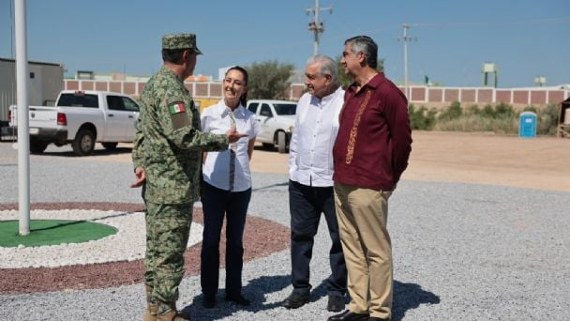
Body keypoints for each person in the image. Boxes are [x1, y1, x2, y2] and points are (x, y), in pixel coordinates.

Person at [131, 33, 247, 322]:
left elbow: (142, 133)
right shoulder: (172, 91)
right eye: (194, 56)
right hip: (172, 187)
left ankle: (155, 309)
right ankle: (166, 314)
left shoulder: (153, 85)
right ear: (186, 56)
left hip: (157, 184)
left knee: (157, 249)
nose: (195, 61)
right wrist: (223, 139)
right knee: (169, 253)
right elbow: (183, 135)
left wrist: (140, 163)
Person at [328, 36, 413, 322]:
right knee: (351, 246)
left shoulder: (388, 93)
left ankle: (379, 312)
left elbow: (403, 142)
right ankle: (358, 306)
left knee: (375, 250)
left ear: (361, 57)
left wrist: (391, 176)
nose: (342, 60)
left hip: (370, 184)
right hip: (342, 182)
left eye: (345, 54)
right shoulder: (351, 91)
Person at [283, 55, 348, 313]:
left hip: (333, 185)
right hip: (301, 183)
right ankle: (300, 289)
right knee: (300, 237)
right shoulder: (303, 101)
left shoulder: (345, 101)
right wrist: (293, 170)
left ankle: (337, 290)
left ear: (328, 78)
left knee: (340, 239)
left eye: (311, 77)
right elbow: (296, 138)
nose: (306, 81)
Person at [199, 66, 260, 309]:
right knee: (211, 239)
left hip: (241, 190)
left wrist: (238, 176)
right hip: (213, 186)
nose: (231, 86)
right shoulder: (209, 114)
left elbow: (249, 150)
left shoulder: (250, 119)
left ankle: (234, 290)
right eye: (228, 80)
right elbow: (201, 149)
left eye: (237, 83)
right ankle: (209, 292)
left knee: (236, 242)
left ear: (244, 88)